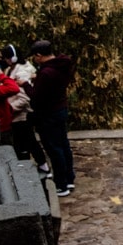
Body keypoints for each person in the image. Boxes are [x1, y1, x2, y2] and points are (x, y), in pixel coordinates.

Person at [26, 40, 75, 196]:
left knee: (54, 149)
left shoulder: (46, 73)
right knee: (64, 145)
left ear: (39, 56)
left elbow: (36, 96)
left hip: (48, 114)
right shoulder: (62, 65)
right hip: (61, 109)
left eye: (35, 57)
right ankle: (69, 178)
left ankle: (61, 185)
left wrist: (25, 84)